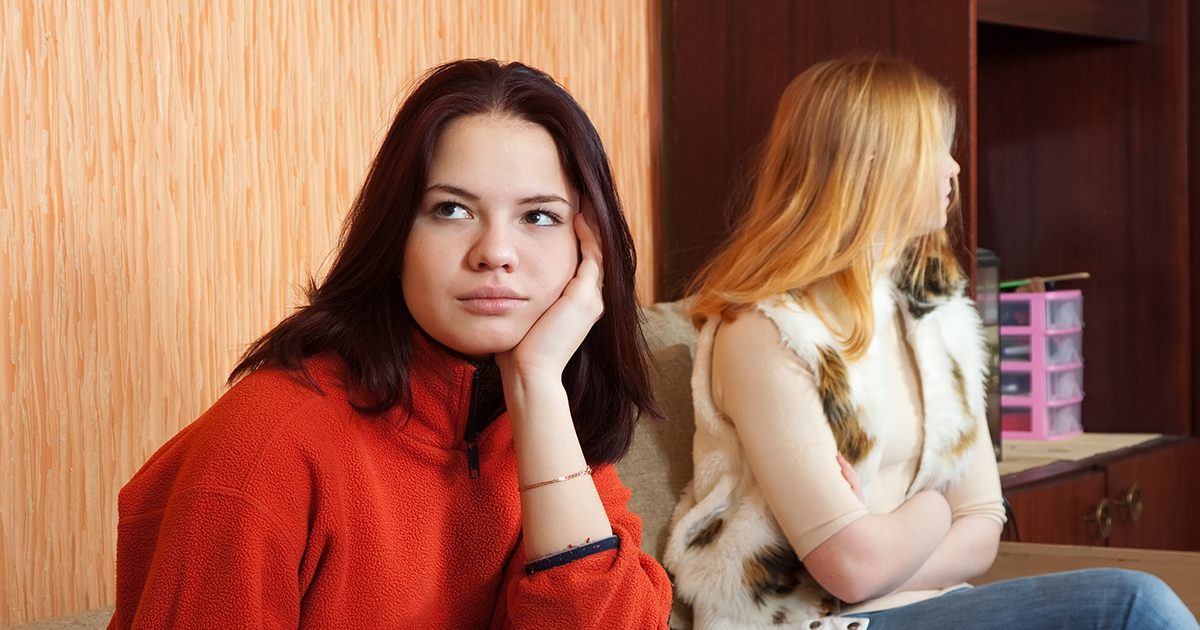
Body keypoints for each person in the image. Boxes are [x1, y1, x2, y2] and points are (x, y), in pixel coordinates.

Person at [109, 59, 672, 629]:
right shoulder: (267, 442)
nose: (495, 252)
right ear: (395, 234)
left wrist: (536, 384)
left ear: (589, 251)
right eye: (452, 209)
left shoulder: (545, 427)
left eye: (539, 216)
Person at [663, 55, 1196, 629]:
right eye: (933, 147)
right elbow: (853, 567)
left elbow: (983, 525)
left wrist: (885, 549)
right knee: (1133, 605)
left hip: (923, 605)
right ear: (872, 166)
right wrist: (936, 508)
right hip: (812, 624)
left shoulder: (933, 315)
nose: (953, 167)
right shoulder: (765, 333)